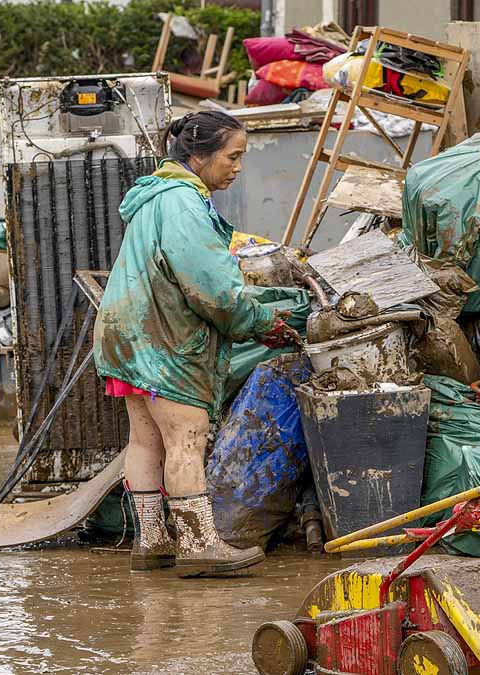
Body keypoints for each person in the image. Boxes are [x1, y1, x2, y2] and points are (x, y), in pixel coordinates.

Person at [93, 110, 299, 576]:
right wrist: (261, 321)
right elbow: (213, 290)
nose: (238, 166)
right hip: (161, 338)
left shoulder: (153, 196)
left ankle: (153, 541)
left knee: (145, 442)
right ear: (199, 155)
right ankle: (199, 543)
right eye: (233, 155)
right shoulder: (184, 204)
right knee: (187, 439)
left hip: (124, 335)